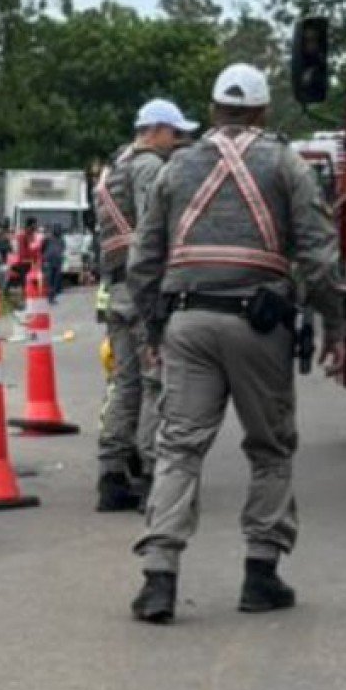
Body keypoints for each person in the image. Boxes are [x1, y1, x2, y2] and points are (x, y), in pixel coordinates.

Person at [126, 63, 345, 623]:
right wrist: (335, 326)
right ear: (264, 111)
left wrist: (153, 331)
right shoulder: (286, 163)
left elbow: (144, 259)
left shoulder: (177, 168)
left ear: (215, 109)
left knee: (179, 447)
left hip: (187, 322)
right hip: (258, 325)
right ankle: (260, 574)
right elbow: (319, 257)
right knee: (270, 447)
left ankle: (159, 578)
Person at [92, 98, 196, 513]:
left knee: (124, 384)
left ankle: (112, 474)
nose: (178, 142)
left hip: (116, 291)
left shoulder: (112, 169)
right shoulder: (149, 167)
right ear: (153, 130)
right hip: (141, 292)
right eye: (174, 133)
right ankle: (155, 477)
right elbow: (158, 227)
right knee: (155, 384)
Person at [41, 217, 67, 304]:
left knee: (56, 281)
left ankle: (52, 297)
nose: (58, 230)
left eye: (59, 228)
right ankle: (49, 297)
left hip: (58, 262)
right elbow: (42, 248)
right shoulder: (47, 239)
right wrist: (44, 258)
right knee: (49, 280)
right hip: (49, 262)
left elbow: (63, 249)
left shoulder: (62, 240)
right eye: (56, 228)